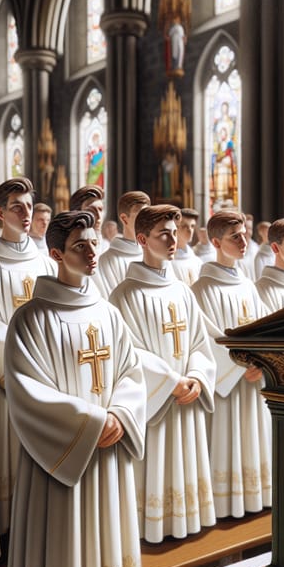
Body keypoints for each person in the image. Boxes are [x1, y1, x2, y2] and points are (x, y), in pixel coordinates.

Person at [3, 209, 145, 567]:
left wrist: (120, 412)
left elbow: (130, 372)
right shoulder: (30, 319)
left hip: (109, 449)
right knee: (62, 542)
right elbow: (29, 391)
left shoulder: (107, 313)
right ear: (56, 254)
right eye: (80, 246)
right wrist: (91, 424)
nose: (91, 252)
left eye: (93, 244)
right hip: (62, 458)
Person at [110, 204, 216, 543]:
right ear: (142, 239)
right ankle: (150, 525)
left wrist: (197, 377)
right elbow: (127, 351)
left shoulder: (182, 289)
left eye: (175, 232)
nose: (173, 239)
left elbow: (201, 343)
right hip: (156, 399)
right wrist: (170, 382)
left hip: (188, 393)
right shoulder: (124, 294)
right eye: (164, 234)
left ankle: (188, 518)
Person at [0, 177, 56, 535]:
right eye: (17, 207)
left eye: (29, 206)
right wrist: (23, 366)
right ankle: (7, 531)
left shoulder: (48, 264)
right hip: (7, 380)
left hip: (47, 378)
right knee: (6, 458)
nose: (25, 214)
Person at [192, 210, 272, 518]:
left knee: (256, 436)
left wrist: (263, 360)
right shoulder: (201, 289)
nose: (243, 241)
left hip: (255, 378)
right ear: (215, 241)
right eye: (234, 237)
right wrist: (240, 366)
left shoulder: (249, 284)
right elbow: (206, 339)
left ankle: (258, 495)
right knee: (227, 442)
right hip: (228, 385)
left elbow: (268, 326)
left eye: (244, 234)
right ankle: (226, 504)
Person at [92, 190, 149, 298]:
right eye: (140, 215)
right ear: (124, 219)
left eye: (148, 215)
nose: (146, 221)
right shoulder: (106, 261)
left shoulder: (153, 254)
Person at [170, 207, 202, 285]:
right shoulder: (167, 262)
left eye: (192, 226)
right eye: (184, 226)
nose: (190, 230)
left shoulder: (197, 261)